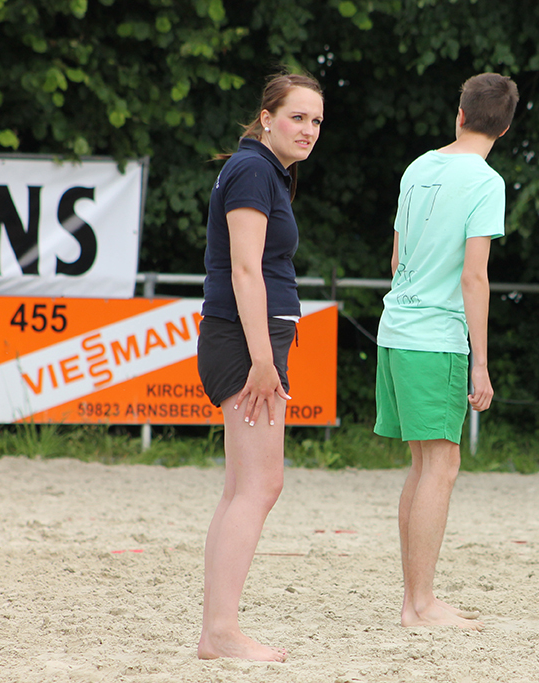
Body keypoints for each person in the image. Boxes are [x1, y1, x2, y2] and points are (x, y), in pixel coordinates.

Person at [374, 72, 519, 630]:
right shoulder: (486, 181)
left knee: (422, 466)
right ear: (504, 128)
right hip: (436, 337)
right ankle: (422, 604)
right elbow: (474, 277)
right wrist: (481, 362)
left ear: (460, 114)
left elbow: (396, 259)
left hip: (396, 327)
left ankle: (414, 601)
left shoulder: (417, 167)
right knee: (443, 466)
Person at [195, 71, 324, 661]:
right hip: (246, 339)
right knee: (260, 485)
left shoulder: (262, 170)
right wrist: (264, 360)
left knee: (241, 489)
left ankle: (216, 630)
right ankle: (222, 632)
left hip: (247, 335)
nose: (309, 129)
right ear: (266, 118)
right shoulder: (252, 170)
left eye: (316, 120)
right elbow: (245, 270)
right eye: (297, 116)